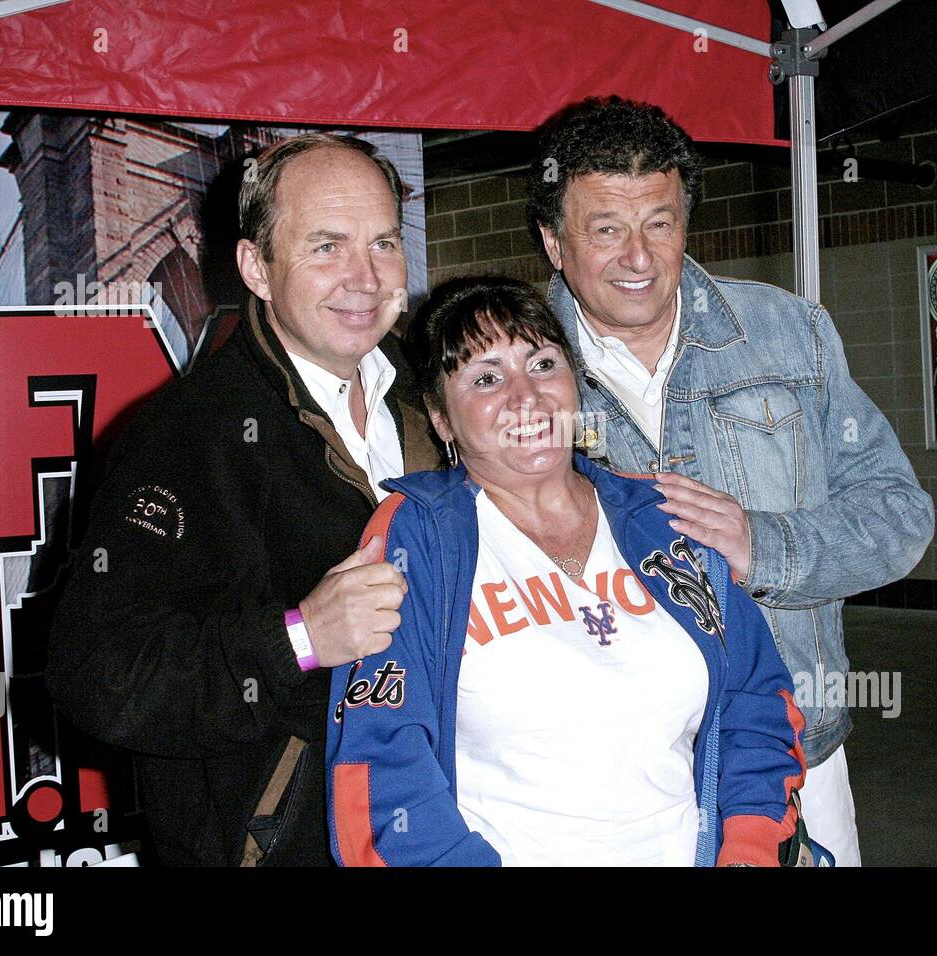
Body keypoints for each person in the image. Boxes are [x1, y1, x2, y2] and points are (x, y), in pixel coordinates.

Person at [524, 96, 935, 866]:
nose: (638, 257)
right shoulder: (512, 377)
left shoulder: (790, 334)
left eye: (660, 222)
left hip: (796, 754)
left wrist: (765, 547)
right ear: (554, 242)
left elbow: (898, 515)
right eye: (605, 228)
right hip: (607, 780)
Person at [326, 275, 814, 867]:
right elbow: (380, 763)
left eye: (543, 363)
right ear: (442, 419)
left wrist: (748, 850)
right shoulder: (417, 536)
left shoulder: (664, 519)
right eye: (485, 377)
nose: (526, 397)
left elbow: (755, 700)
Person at [47, 132, 438, 866]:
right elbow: (97, 671)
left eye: (384, 243)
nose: (365, 276)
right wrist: (299, 637)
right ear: (256, 267)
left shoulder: (432, 405)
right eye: (327, 246)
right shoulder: (185, 436)